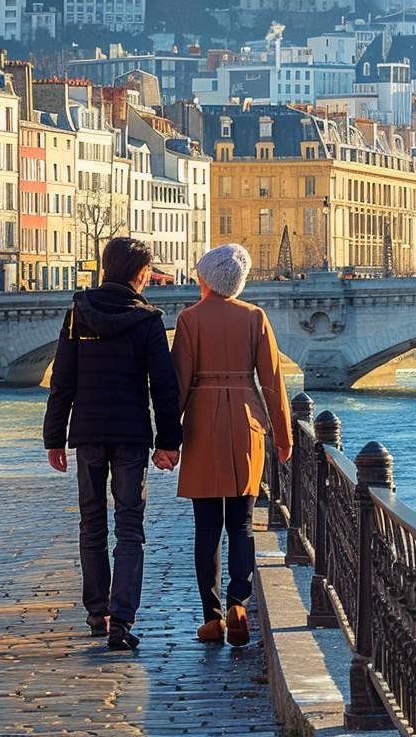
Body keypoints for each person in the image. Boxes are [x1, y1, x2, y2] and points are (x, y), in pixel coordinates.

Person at [43, 237, 180, 651]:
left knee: (91, 523)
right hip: (131, 436)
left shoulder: (77, 314)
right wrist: (169, 441)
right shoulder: (148, 320)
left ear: (105, 267)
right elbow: (164, 387)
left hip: (87, 433)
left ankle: (96, 613)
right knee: (130, 528)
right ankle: (122, 619)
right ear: (140, 273)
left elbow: (62, 380)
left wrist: (55, 438)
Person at [166, 244, 292, 646]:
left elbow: (178, 385)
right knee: (240, 522)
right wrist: (284, 435)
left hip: (203, 419)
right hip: (246, 420)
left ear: (206, 278)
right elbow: (272, 380)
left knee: (206, 528)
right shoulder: (255, 317)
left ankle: (212, 617)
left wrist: (167, 438)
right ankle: (240, 600)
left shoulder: (189, 320)